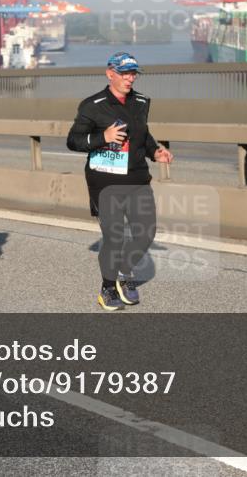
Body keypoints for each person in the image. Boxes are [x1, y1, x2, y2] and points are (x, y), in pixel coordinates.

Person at [66, 52, 174, 310]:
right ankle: (107, 288)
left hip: (137, 177)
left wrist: (155, 151)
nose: (130, 78)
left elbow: (142, 134)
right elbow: (74, 141)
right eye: (124, 73)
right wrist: (103, 136)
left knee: (146, 232)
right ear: (110, 73)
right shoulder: (93, 105)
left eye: (133, 73)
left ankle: (124, 272)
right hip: (105, 181)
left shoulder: (140, 101)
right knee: (114, 237)